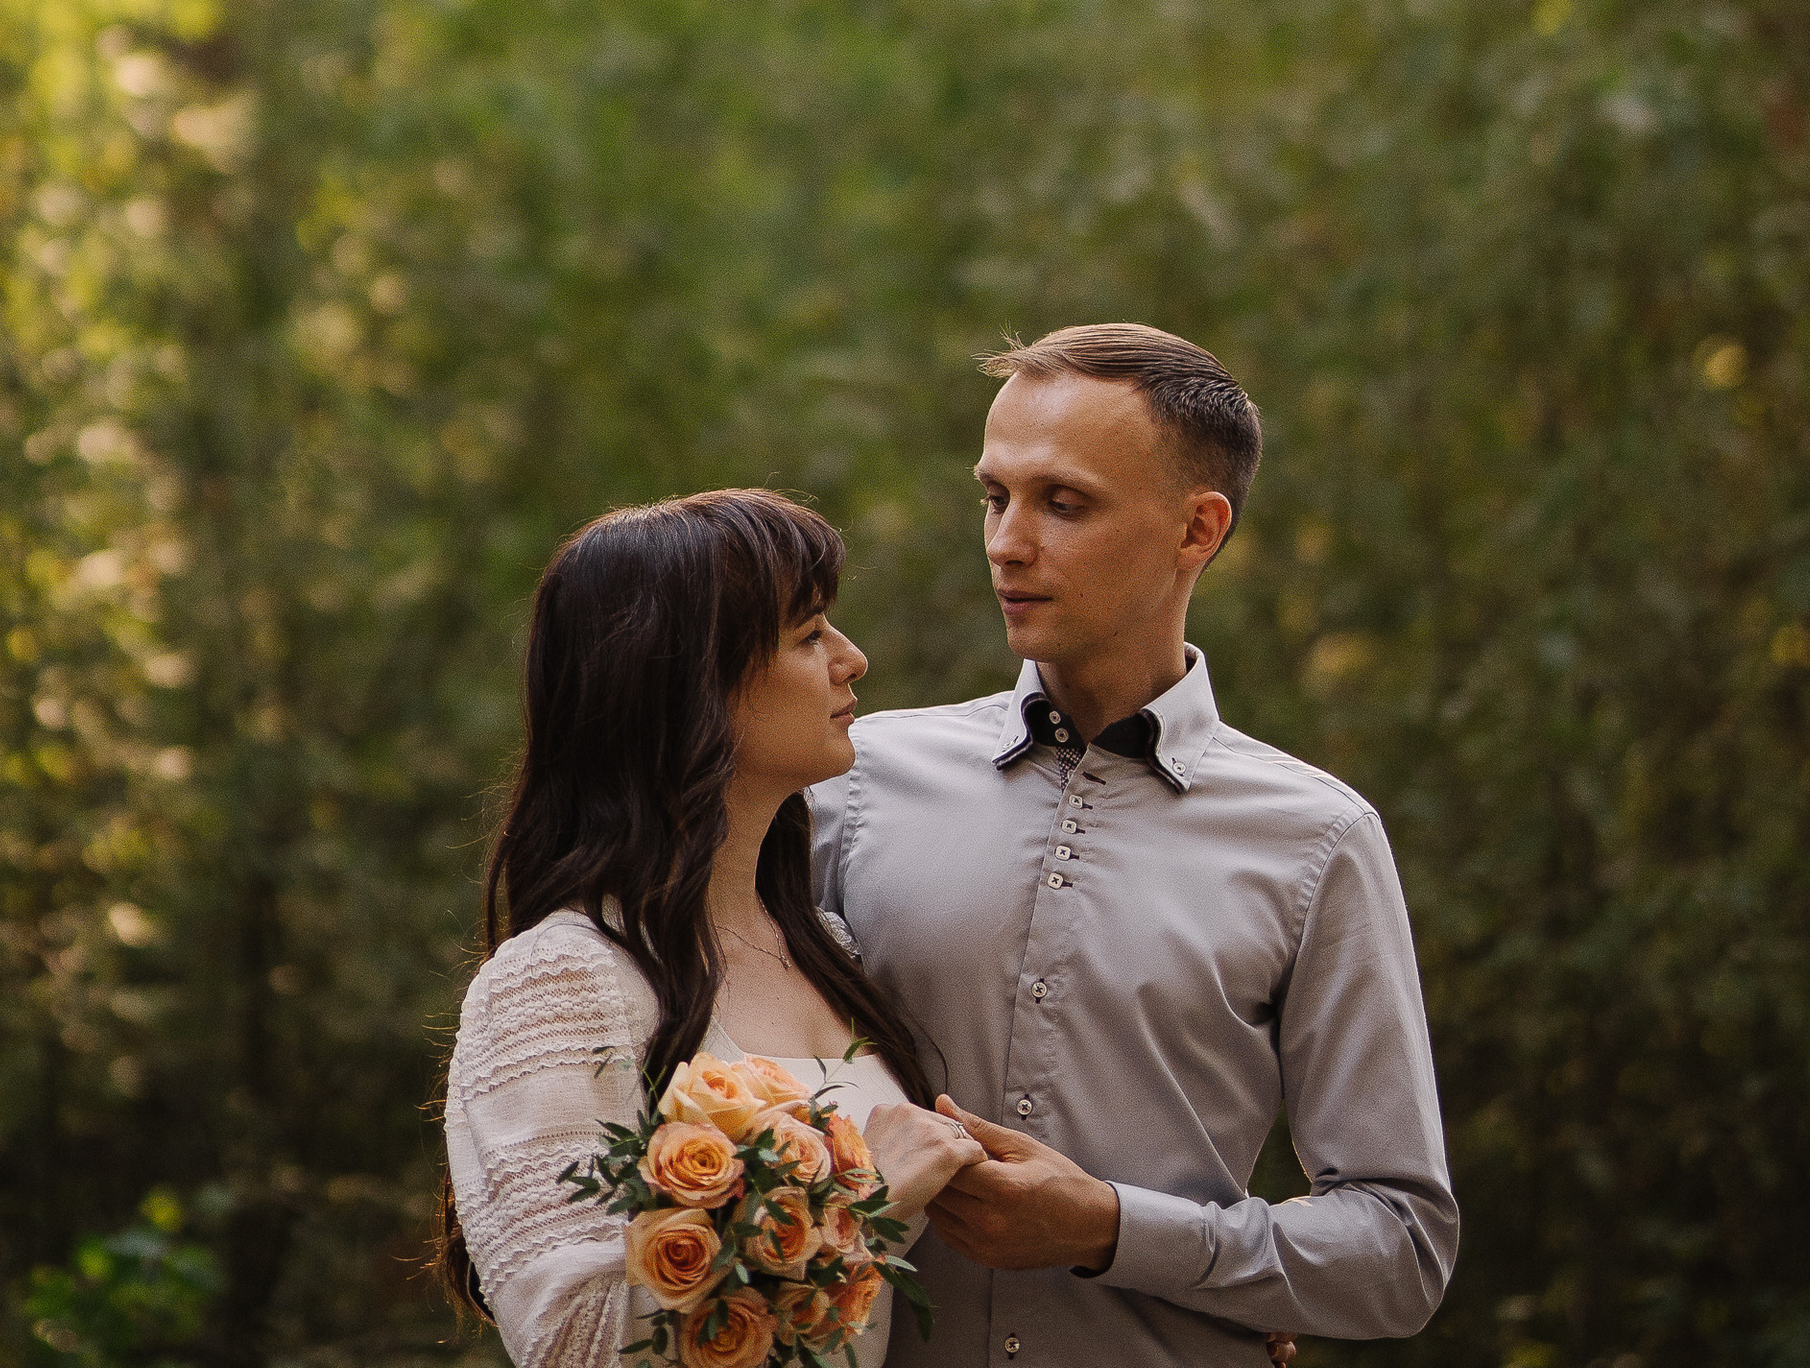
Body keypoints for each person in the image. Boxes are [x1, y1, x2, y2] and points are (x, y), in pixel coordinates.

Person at [811, 325, 1459, 1368]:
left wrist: (1112, 1230)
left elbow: (1400, 1252)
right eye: (994, 496)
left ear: (1197, 529)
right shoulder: (848, 781)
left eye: (1062, 503)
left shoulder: (1316, 841)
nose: (1006, 542)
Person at [445, 489, 979, 1368]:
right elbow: (569, 1340)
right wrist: (866, 1194)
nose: (853, 659)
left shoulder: (829, 950)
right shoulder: (561, 982)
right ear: (691, 684)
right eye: (808, 636)